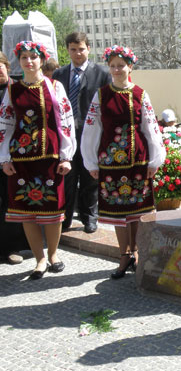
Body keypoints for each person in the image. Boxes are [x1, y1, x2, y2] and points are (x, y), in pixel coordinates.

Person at [81, 45, 165, 279]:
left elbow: (151, 127)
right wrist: (91, 162)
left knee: (136, 210)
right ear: (109, 68)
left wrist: (155, 158)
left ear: (130, 67)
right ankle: (123, 254)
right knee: (118, 211)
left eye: (121, 65)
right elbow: (91, 130)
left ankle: (136, 252)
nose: (117, 69)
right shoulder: (101, 95)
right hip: (110, 162)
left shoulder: (140, 94)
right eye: (113, 66)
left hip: (137, 159)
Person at [0, 41, 76, 279]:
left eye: (33, 57)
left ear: (42, 60)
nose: (29, 61)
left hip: (50, 159)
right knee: (26, 211)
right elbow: (5, 124)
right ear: (19, 61)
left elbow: (66, 121)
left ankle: (53, 254)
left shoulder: (55, 86)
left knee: (52, 210)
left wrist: (67, 155)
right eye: (24, 57)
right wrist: (4, 158)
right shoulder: (13, 90)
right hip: (22, 161)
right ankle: (39, 260)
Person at [53, 32, 111, 233]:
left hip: (90, 134)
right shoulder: (59, 75)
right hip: (66, 134)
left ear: (88, 49)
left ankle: (90, 217)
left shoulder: (102, 74)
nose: (78, 53)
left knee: (90, 177)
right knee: (68, 177)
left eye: (81, 49)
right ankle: (66, 218)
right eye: (73, 49)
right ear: (68, 50)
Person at [0, 52, 29, 265]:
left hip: (13, 155)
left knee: (11, 201)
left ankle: (11, 247)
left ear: (7, 66)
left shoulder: (18, 89)